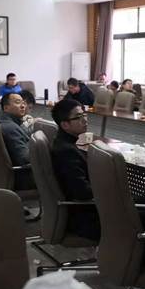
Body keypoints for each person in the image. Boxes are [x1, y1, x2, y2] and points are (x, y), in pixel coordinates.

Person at [51, 99, 100, 241]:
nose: (85, 120)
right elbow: (82, 192)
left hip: (80, 212)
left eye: (84, 114)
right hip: (86, 219)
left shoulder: (63, 143)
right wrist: (108, 188)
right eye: (78, 117)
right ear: (65, 125)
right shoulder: (67, 151)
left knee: (144, 201)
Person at [0, 93, 36, 190]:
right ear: (6, 108)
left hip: (6, 176)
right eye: (18, 102)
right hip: (23, 177)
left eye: (23, 103)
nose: (23, 106)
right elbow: (24, 159)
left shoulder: (2, 121)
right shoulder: (11, 128)